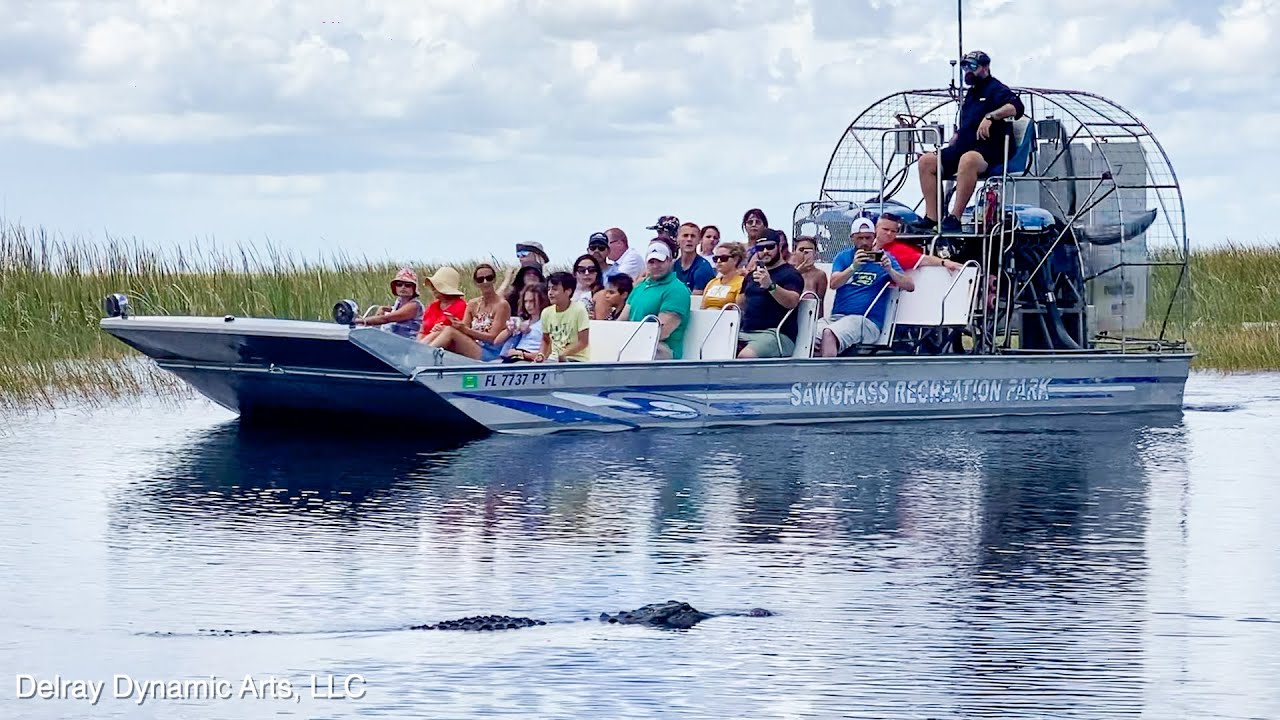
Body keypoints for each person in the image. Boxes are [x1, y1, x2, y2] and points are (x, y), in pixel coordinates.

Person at [911, 50, 1025, 235]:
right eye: (965, 67)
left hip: (989, 151)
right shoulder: (971, 95)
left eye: (973, 66)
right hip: (963, 147)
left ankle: (955, 217)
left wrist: (991, 116)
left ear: (985, 67)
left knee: (968, 159)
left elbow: (1016, 107)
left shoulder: (996, 89)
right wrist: (958, 135)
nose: (968, 71)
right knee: (926, 161)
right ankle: (933, 218)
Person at [817, 221, 915, 357]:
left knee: (829, 333)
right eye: (860, 238)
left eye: (868, 238)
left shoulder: (886, 258)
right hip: (838, 317)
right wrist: (853, 267)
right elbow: (834, 283)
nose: (864, 242)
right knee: (808, 333)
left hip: (867, 321)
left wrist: (889, 270)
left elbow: (910, 286)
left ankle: (828, 377)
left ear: (874, 237)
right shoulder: (843, 257)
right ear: (852, 238)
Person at [736, 234, 804, 358]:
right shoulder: (752, 275)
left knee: (746, 356)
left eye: (770, 247)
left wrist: (770, 285)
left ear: (779, 247)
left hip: (776, 334)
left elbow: (792, 302)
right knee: (717, 348)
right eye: (760, 248)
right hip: (746, 331)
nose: (765, 251)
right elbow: (741, 303)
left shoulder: (791, 274)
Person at [621, 240, 692, 359]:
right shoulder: (640, 287)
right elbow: (622, 320)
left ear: (670, 261)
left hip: (662, 349)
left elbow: (662, 332)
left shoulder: (677, 290)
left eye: (660, 261)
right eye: (651, 262)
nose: (655, 266)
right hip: (635, 343)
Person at [427, 263, 511, 361]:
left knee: (450, 332)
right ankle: (418, 350)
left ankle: (423, 356)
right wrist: (454, 326)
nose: (485, 282)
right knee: (443, 330)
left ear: (494, 280)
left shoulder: (502, 305)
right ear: (476, 283)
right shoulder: (473, 304)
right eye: (480, 279)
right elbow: (464, 328)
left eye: (489, 278)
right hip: (474, 345)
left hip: (490, 351)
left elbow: (493, 338)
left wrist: (465, 330)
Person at [534, 272, 591, 362]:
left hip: (576, 359)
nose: (550, 293)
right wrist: (541, 354)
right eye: (549, 289)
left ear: (568, 291)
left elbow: (583, 342)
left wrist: (564, 353)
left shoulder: (579, 310)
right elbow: (546, 340)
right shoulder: (546, 312)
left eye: (555, 289)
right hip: (553, 359)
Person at [874, 213, 963, 271]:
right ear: (876, 228)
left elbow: (924, 259)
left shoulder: (898, 250)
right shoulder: (865, 245)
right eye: (885, 229)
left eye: (893, 231)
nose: (889, 233)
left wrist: (944, 262)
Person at [353, 267, 424, 338]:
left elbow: (386, 319)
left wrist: (358, 321)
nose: (403, 287)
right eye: (399, 284)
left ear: (414, 288)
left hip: (408, 342)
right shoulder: (399, 302)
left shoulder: (414, 305)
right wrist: (383, 309)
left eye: (408, 285)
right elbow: (395, 311)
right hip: (394, 339)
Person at [497, 283, 549, 363]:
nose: (528, 305)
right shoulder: (520, 321)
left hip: (527, 359)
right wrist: (511, 330)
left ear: (541, 300)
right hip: (513, 356)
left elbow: (546, 354)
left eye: (532, 301)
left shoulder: (546, 323)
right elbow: (497, 341)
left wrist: (521, 354)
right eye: (525, 301)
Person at [415, 266, 469, 344]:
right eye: (433, 286)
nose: (433, 288)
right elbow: (422, 330)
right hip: (425, 342)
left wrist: (441, 329)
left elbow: (460, 331)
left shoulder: (461, 306)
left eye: (436, 286)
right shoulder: (433, 306)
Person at [700, 242, 747, 310]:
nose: (718, 261)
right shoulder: (712, 282)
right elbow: (702, 306)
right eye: (716, 258)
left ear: (735, 259)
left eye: (723, 258)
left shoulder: (743, 283)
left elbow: (739, 308)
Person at [791, 236, 829, 318]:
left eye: (809, 250)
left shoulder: (819, 275)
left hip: (808, 319)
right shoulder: (788, 271)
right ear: (794, 252)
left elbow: (819, 305)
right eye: (801, 250)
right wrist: (797, 273)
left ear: (815, 253)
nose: (805, 253)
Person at [673, 222, 716, 294]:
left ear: (699, 240)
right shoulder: (672, 266)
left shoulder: (703, 268)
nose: (689, 239)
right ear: (677, 239)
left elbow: (695, 300)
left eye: (693, 236)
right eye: (685, 236)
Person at [570, 253, 607, 318]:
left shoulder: (602, 294)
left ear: (597, 273)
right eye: (582, 270)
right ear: (575, 273)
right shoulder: (567, 292)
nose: (587, 273)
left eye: (591, 270)